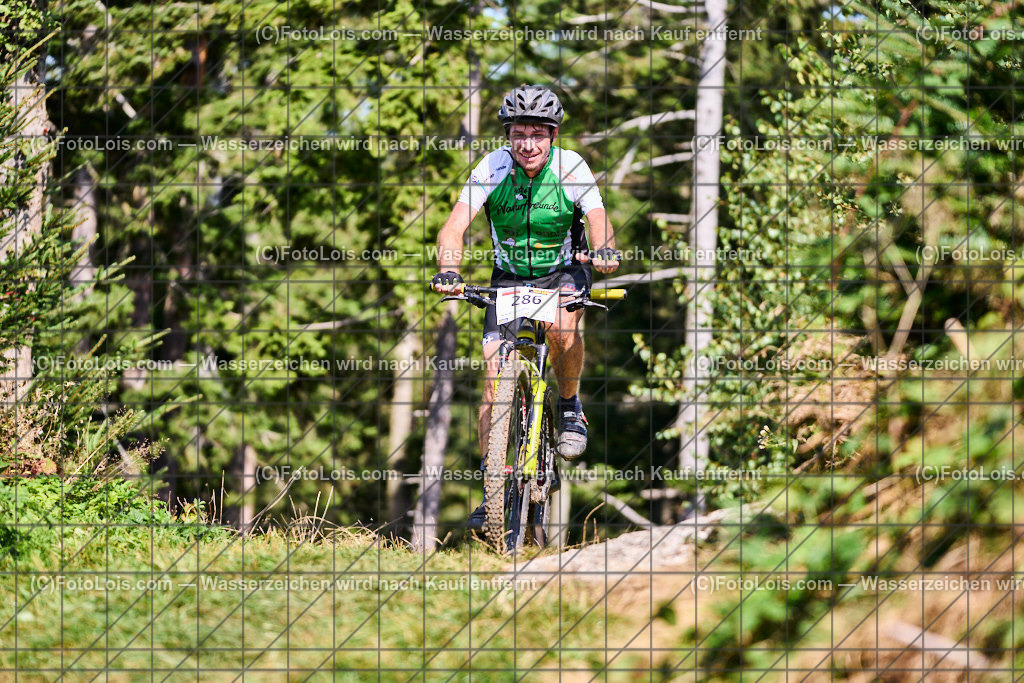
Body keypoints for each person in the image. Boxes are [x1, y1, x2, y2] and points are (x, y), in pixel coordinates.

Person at [431, 84, 620, 529]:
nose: (527, 144)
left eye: (538, 134)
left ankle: (570, 406)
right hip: (511, 277)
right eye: (519, 133)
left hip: (563, 271)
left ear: (553, 135)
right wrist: (450, 271)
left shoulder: (571, 167)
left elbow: (598, 220)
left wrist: (606, 250)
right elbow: (453, 228)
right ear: (508, 135)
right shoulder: (492, 168)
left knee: (561, 329)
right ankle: (493, 486)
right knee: (494, 381)